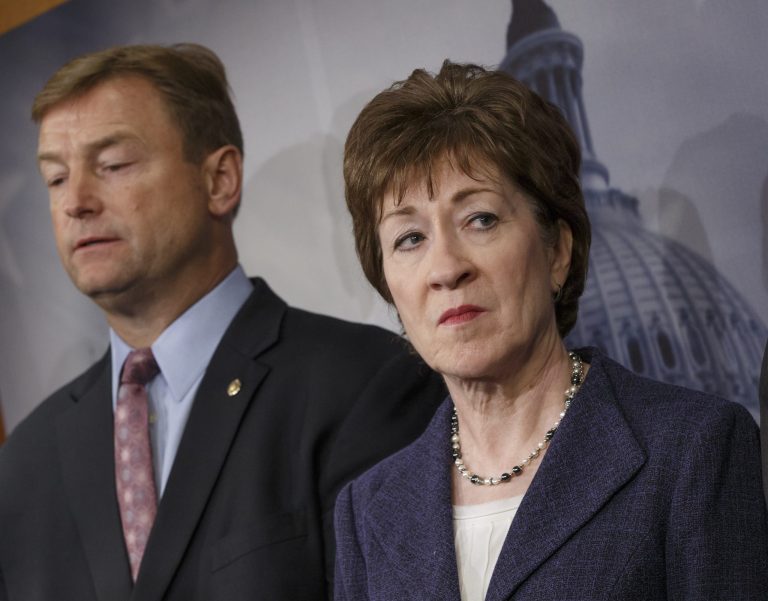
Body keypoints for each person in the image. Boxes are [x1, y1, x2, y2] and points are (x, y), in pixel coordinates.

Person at [0, 43, 445, 601]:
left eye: (112, 165)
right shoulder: (24, 462)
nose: (76, 202)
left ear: (219, 180)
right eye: (56, 179)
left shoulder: (365, 384)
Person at [334, 61, 768, 600]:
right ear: (388, 284)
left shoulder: (693, 450)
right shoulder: (366, 510)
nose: (446, 268)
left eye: (481, 219)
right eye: (409, 238)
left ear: (557, 250)